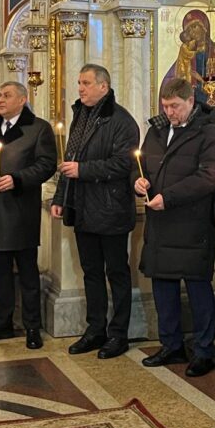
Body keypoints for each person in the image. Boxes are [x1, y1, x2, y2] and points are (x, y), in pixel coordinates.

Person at [136, 78, 215, 377]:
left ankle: (203, 351)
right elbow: (140, 166)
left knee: (198, 290)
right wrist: (138, 183)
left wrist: (169, 197)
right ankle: (171, 344)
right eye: (165, 106)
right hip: (160, 222)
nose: (170, 112)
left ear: (190, 102)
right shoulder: (157, 130)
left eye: (175, 106)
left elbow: (209, 177)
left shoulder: (209, 133)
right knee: (163, 287)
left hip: (192, 223)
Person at [51, 64, 139, 359]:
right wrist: (60, 197)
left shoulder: (122, 121)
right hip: (83, 207)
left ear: (104, 86)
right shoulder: (81, 115)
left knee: (116, 273)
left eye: (86, 83)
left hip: (111, 209)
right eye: (78, 83)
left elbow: (122, 164)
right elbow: (69, 160)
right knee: (90, 273)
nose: (80, 88)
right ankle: (95, 329)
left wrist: (83, 170)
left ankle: (118, 334)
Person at [0, 81, 56, 350]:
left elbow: (46, 165)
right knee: (0, 274)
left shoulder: (38, 129)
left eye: (7, 95)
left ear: (22, 100)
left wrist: (17, 179)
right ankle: (2, 323)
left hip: (21, 211)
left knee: (27, 273)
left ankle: (31, 326)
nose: (0, 100)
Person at [160, 9, 215, 117]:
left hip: (210, 103)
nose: (192, 32)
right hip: (190, 104)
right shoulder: (187, 54)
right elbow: (173, 78)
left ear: (204, 27)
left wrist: (201, 79)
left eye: (194, 27)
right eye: (189, 30)